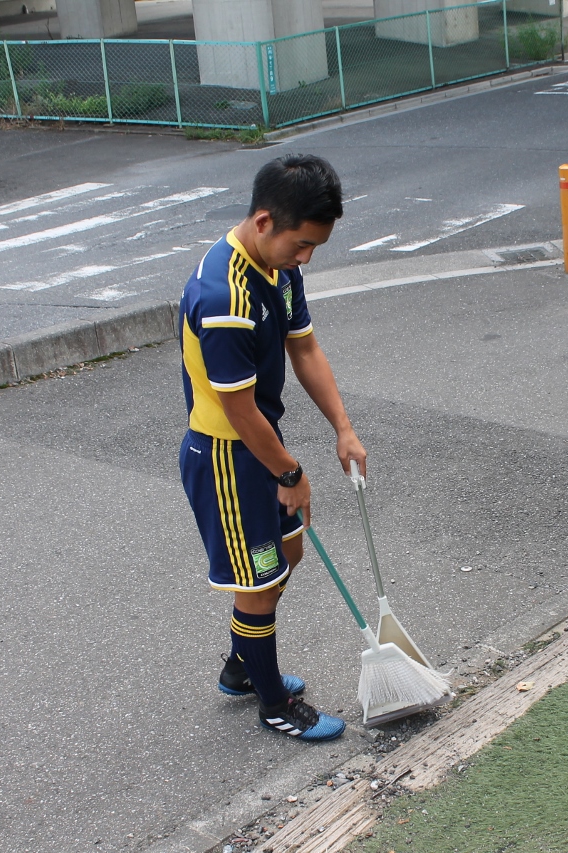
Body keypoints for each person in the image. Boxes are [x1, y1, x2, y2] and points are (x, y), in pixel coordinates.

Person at [179, 154, 366, 742]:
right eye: (302, 244)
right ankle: (273, 705)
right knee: (258, 582)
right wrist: (291, 475)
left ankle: (242, 666)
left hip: (262, 444)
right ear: (264, 222)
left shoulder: (279, 271)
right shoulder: (224, 296)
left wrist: (343, 426)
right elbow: (238, 409)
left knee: (286, 556)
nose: (306, 257)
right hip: (227, 460)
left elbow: (303, 348)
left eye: (316, 246)